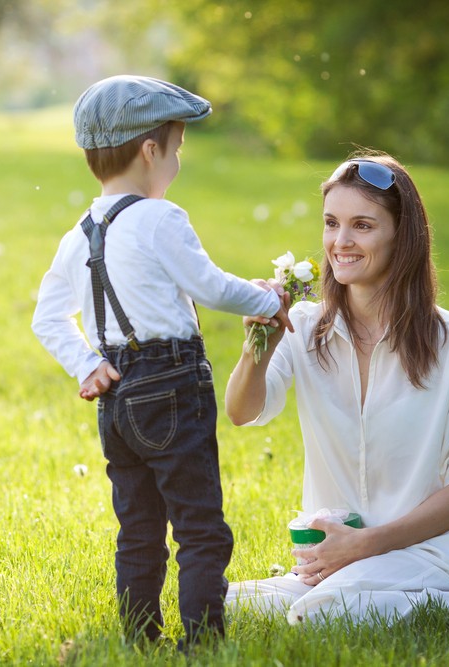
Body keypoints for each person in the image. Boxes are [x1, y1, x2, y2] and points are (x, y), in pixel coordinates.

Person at [223, 153, 449, 625]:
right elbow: (242, 411)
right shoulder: (305, 328)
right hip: (337, 561)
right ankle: (366, 598)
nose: (340, 242)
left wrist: (363, 545)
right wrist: (259, 342)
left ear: (403, 237)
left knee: (324, 614)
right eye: (332, 223)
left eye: (363, 226)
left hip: (429, 552)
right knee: (219, 603)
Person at [31, 75, 292, 646]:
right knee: (200, 528)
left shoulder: (77, 236)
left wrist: (85, 364)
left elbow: (47, 318)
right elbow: (211, 287)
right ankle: (202, 641)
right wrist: (269, 299)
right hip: (172, 386)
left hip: (116, 393)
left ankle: (140, 638)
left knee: (139, 527)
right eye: (177, 151)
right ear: (151, 150)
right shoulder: (161, 218)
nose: (177, 163)